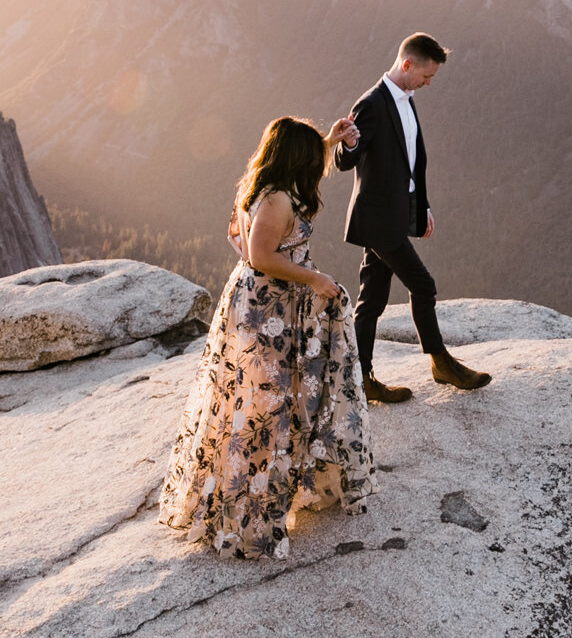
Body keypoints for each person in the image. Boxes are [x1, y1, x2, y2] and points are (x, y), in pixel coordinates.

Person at [159, 113, 371, 561]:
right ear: (296, 159)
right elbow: (260, 256)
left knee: (252, 399)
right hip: (268, 309)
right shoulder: (276, 201)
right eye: (312, 154)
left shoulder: (261, 186)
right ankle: (252, 513)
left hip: (259, 305)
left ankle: (248, 495)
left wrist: (330, 141)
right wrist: (315, 279)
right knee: (267, 403)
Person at [334, 33, 491, 402]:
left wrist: (421, 207)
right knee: (423, 285)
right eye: (426, 75)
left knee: (371, 300)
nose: (428, 82)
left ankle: (360, 379)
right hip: (377, 220)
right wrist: (351, 143)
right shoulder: (371, 104)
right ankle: (441, 364)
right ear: (407, 65)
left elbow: (409, 162)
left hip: (394, 214)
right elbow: (345, 160)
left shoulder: (406, 99)